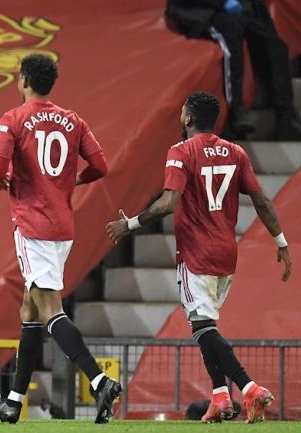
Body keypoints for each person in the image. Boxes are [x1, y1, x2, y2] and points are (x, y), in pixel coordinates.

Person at [106, 91, 292, 424]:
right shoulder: (235, 152)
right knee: (206, 326)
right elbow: (261, 200)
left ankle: (249, 389)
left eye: (181, 112)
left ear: (189, 117)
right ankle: (220, 396)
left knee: (202, 327)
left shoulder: (181, 151)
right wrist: (281, 242)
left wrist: (129, 224)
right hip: (227, 253)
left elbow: (168, 204)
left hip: (196, 252)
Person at [0, 53, 120, 424]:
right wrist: (70, 180)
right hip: (62, 226)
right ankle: (13, 402)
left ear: (25, 79)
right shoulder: (72, 119)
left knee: (48, 310)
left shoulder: (13, 119)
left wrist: (2, 177)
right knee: (29, 312)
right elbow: (101, 166)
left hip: (33, 225)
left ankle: (98, 379)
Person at [165, 0, 301, 140]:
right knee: (231, 33)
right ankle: (236, 111)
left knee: (275, 45)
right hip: (198, 11)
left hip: (232, 9)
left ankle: (285, 116)